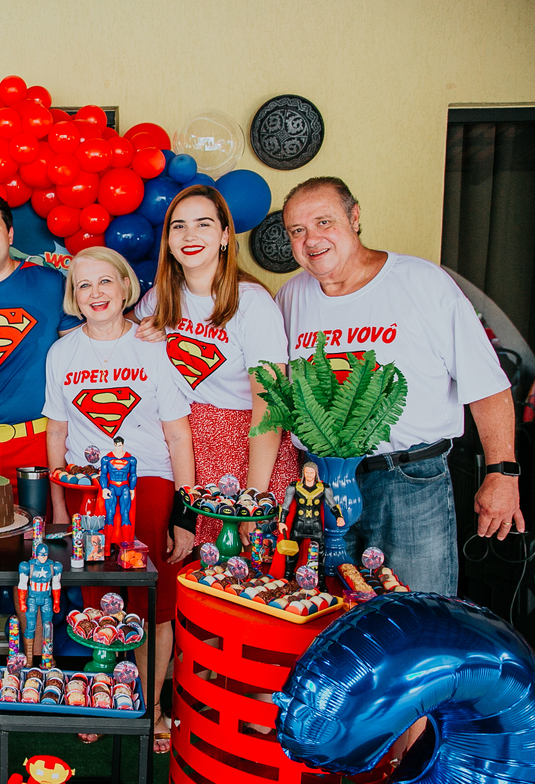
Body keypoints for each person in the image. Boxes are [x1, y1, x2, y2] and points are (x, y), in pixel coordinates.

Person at [277, 177, 522, 595]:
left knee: (417, 612)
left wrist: (502, 472)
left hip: (408, 483)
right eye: (297, 230)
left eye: (323, 222)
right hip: (319, 486)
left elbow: (486, 384)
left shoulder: (422, 282)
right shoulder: (289, 296)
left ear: (355, 217)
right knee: (323, 612)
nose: (311, 239)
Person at [44, 246, 196, 751]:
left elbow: (178, 434)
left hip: (148, 483)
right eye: (84, 285)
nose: (96, 293)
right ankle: (101, 699)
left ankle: (151, 707)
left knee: (155, 606)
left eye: (105, 281)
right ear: (74, 295)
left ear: (126, 285)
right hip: (87, 490)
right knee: (98, 604)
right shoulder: (62, 352)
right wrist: (59, 504)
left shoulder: (155, 346)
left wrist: (184, 513)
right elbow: (57, 432)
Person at [0, 193, 81, 713]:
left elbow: (87, 345)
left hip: (39, 440)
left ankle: (46, 668)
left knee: (44, 554)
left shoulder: (48, 284)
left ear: (9, 233)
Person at [135, 185, 297, 547]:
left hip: (250, 448)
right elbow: (123, 330)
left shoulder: (252, 304)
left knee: (250, 565)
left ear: (225, 236)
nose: (189, 235)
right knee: (199, 566)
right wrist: (144, 327)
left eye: (203, 224)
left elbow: (270, 407)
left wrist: (254, 497)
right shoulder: (163, 296)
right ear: (168, 241)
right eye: (178, 226)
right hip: (191, 447)